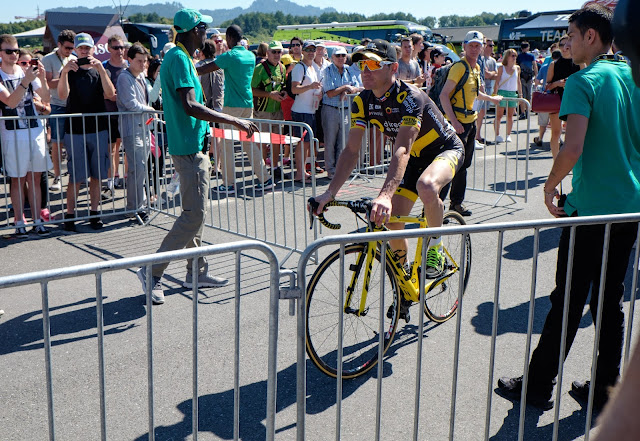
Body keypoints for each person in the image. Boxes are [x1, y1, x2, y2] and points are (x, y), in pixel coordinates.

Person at [496, 4, 640, 412]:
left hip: (591, 208)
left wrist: (549, 184)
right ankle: (605, 390)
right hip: (629, 206)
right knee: (609, 301)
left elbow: (571, 147)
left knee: (568, 299)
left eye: (572, 36)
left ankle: (538, 385)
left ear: (591, 37)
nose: (567, 44)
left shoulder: (583, 80)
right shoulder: (634, 77)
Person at [311, 40, 465, 304]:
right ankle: (403, 279)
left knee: (427, 186)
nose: (364, 71)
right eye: (361, 64)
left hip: (443, 150)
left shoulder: (411, 98)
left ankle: (435, 248)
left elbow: (402, 148)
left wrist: (383, 195)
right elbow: (350, 151)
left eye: (372, 64)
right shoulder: (363, 101)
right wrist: (329, 192)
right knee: (392, 220)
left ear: (393, 67)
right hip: (413, 159)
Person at [137, 8, 258, 305]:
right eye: (204, 29)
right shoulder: (178, 59)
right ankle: (152, 271)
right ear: (195, 30)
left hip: (194, 145)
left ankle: (196, 270)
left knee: (197, 213)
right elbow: (190, 104)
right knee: (194, 216)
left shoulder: (183, 58)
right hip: (187, 148)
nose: (207, 35)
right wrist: (234, 120)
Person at [199, 24, 272, 195]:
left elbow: (205, 69)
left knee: (227, 146)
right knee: (249, 145)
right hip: (248, 104)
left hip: (231, 105)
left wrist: (188, 70)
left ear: (230, 38)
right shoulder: (249, 55)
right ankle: (265, 178)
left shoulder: (230, 56)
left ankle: (229, 184)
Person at [439, 31, 502, 216]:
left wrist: (491, 98)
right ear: (464, 47)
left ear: (482, 47)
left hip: (470, 122)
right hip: (458, 124)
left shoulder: (475, 67)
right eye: (471, 45)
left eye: (478, 45)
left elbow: (475, 93)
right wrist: (454, 121)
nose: (475, 49)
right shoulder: (459, 67)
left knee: (463, 167)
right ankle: (434, 207)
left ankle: (456, 205)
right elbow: (444, 95)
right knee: (449, 167)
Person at [58, 33, 116, 231]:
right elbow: (62, 95)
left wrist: (101, 69)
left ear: (93, 49)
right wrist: (64, 72)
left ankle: (94, 213)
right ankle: (70, 215)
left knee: (97, 175)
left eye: (87, 48)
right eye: (81, 47)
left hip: (98, 129)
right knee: (76, 176)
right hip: (74, 131)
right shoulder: (69, 70)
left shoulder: (99, 70)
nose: (84, 51)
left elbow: (110, 94)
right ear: (75, 49)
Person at [0, 34, 51, 236]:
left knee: (35, 177)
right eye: (9, 51)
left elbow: (46, 98)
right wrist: (26, 81)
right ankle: (19, 219)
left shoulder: (25, 71)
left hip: (34, 129)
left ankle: (37, 219)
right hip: (12, 134)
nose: (14, 55)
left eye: (16, 50)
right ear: (0, 54)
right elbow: (10, 102)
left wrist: (43, 79)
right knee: (18, 179)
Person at [116, 43, 155, 223]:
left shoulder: (140, 78)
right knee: (137, 168)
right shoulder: (125, 77)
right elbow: (130, 103)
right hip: (132, 129)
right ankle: (135, 207)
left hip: (143, 127)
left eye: (145, 61)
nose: (143, 64)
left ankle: (140, 204)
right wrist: (150, 109)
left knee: (141, 169)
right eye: (139, 61)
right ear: (129, 59)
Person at [41, 29, 75, 193]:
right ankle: (57, 176)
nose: (69, 51)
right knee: (56, 142)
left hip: (72, 105)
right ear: (59, 45)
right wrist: (64, 74)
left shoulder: (74, 58)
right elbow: (47, 83)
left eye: (71, 48)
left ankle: (73, 175)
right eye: (67, 48)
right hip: (56, 104)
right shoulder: (48, 59)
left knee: (72, 142)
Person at [320, 46, 362, 178]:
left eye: (343, 55)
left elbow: (359, 87)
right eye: (337, 56)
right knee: (330, 141)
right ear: (332, 57)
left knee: (343, 141)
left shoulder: (350, 70)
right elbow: (330, 93)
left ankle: (340, 168)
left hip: (346, 109)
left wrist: (349, 90)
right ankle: (330, 170)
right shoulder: (327, 71)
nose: (340, 58)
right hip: (330, 109)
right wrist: (345, 87)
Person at [289, 41, 322, 183]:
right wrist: (310, 87)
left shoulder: (312, 68)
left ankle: (303, 171)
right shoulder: (299, 67)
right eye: (308, 49)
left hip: (310, 110)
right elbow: (294, 89)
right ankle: (299, 173)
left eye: (313, 50)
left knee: (307, 143)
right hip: (301, 111)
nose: (310, 52)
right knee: (303, 143)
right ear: (302, 51)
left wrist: (318, 93)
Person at [102, 35, 129, 199]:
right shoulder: (104, 67)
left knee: (126, 148)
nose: (120, 51)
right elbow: (102, 92)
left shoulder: (129, 66)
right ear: (109, 49)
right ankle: (111, 181)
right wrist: (111, 96)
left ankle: (125, 177)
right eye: (116, 48)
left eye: (122, 47)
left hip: (126, 114)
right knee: (112, 149)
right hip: (109, 113)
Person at [546, 35, 581, 159]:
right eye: (561, 45)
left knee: (571, 135)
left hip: (574, 100)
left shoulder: (579, 62)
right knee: (556, 133)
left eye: (567, 44)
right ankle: (556, 162)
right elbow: (547, 87)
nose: (565, 47)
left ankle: (569, 162)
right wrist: (557, 83)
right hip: (557, 100)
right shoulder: (554, 64)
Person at [532, 49, 562, 147]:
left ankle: (540, 138)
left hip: (546, 97)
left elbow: (537, 81)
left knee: (543, 122)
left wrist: (543, 83)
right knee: (557, 122)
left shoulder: (545, 67)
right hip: (557, 97)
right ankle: (559, 139)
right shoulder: (562, 67)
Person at [493, 48, 522, 143]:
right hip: (502, 92)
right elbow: (497, 82)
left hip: (513, 93)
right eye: (512, 55)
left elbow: (518, 82)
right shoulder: (501, 68)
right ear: (507, 57)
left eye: (515, 56)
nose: (514, 57)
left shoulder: (517, 68)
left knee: (510, 115)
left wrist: (520, 94)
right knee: (499, 115)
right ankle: (497, 134)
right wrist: (495, 94)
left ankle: (508, 134)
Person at [475, 38, 498, 146]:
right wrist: (491, 74)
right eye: (484, 44)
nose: (488, 46)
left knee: (482, 113)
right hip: (478, 90)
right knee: (477, 113)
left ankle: (477, 136)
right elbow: (485, 74)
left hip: (486, 89)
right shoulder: (478, 58)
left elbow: (495, 75)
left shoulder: (486, 59)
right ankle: (475, 137)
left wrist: (491, 74)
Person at [515, 41, 537, 119]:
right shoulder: (531, 56)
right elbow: (534, 66)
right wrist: (536, 76)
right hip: (529, 77)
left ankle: (523, 112)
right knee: (529, 95)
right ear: (528, 47)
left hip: (521, 77)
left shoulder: (519, 56)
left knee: (522, 95)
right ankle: (528, 111)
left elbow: (516, 67)